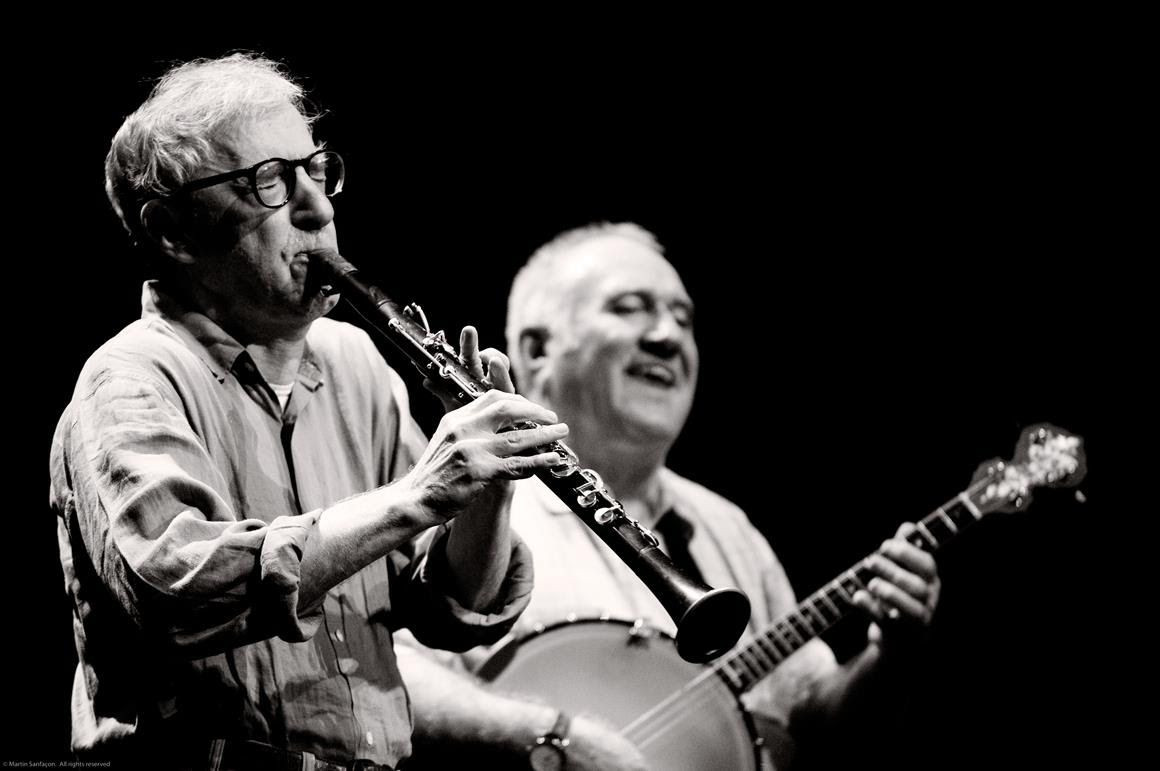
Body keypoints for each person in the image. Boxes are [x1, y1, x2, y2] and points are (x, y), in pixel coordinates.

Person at [48, 53, 571, 770]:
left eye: (317, 170)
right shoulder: (131, 379)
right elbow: (181, 590)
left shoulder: (356, 365)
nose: (318, 207)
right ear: (173, 229)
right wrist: (420, 493)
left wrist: (487, 492)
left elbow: (451, 613)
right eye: (269, 181)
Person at [396, 222, 942, 770]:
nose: (668, 336)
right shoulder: (461, 500)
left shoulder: (728, 527)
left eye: (684, 319)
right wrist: (548, 736)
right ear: (537, 349)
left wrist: (891, 656)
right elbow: (385, 676)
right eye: (630, 308)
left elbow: (816, 724)